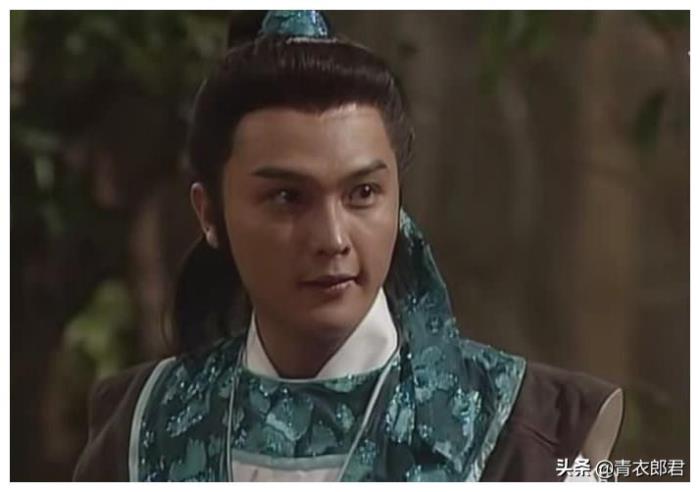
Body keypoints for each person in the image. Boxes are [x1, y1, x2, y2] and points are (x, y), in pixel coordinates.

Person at [73, 10, 623, 482]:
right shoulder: (143, 426)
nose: (333, 239)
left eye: (363, 193)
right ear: (209, 214)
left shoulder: (533, 428)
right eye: (287, 197)